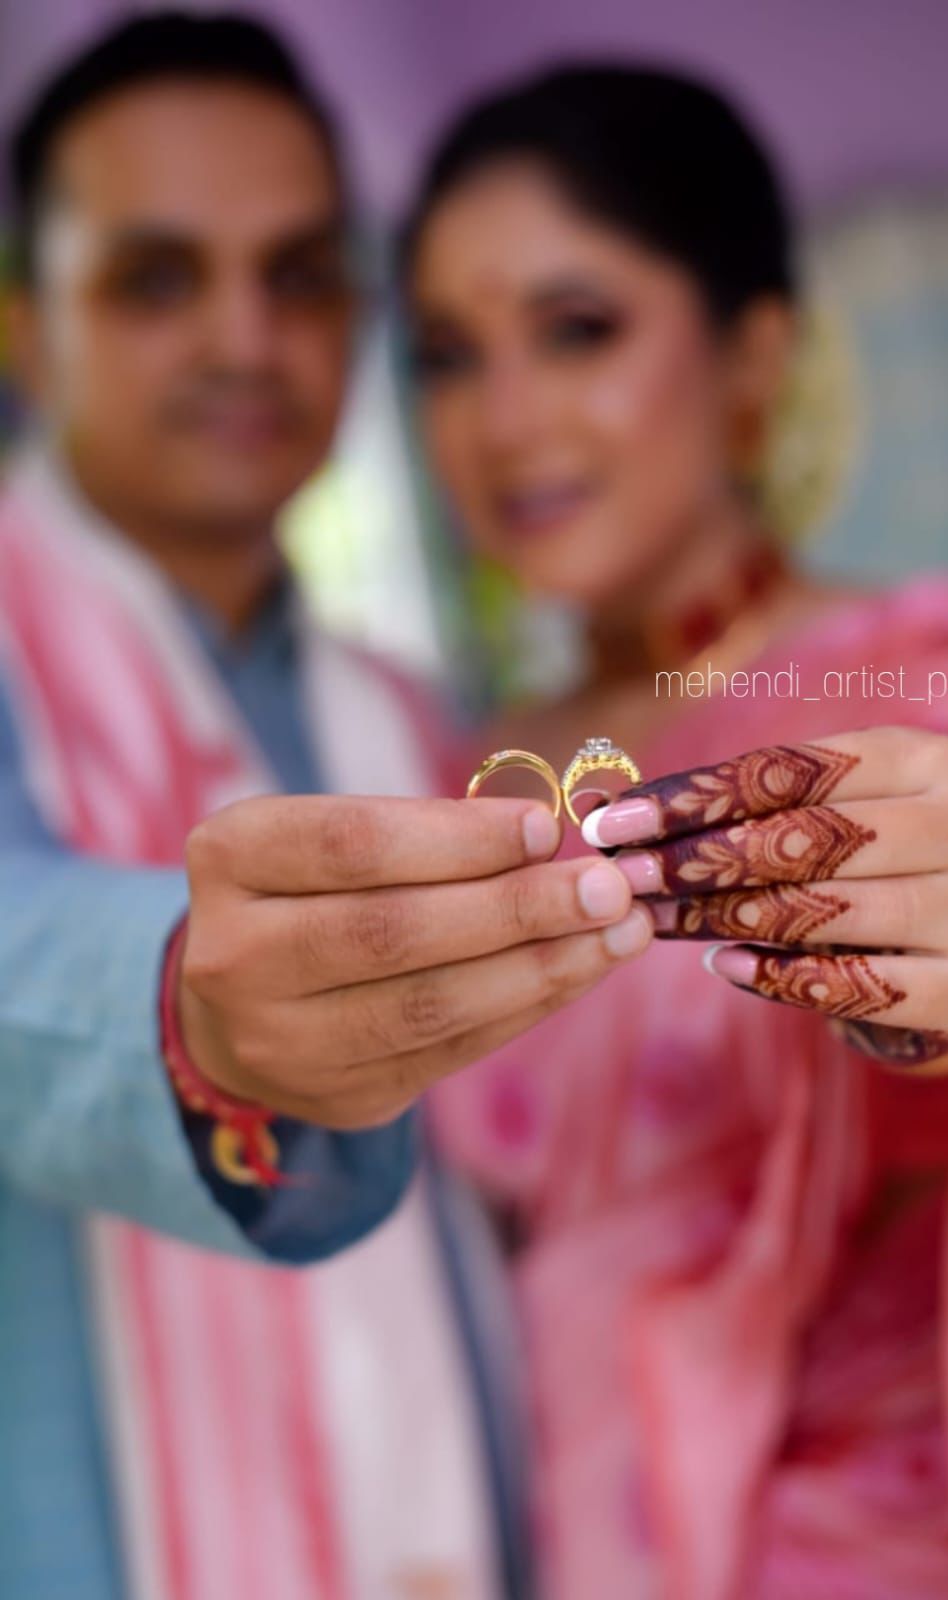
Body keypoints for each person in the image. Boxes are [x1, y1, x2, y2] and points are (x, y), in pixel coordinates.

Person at [0, 18, 654, 1599]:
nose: (247, 338)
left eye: (300, 275)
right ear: (25, 327)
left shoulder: (412, 715)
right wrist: (193, 1014)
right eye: (157, 279)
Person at [403, 63, 948, 1599]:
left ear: (752, 353)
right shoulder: (458, 775)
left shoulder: (922, 671)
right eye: (447, 356)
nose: (505, 423)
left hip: (883, 1545)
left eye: (577, 331)